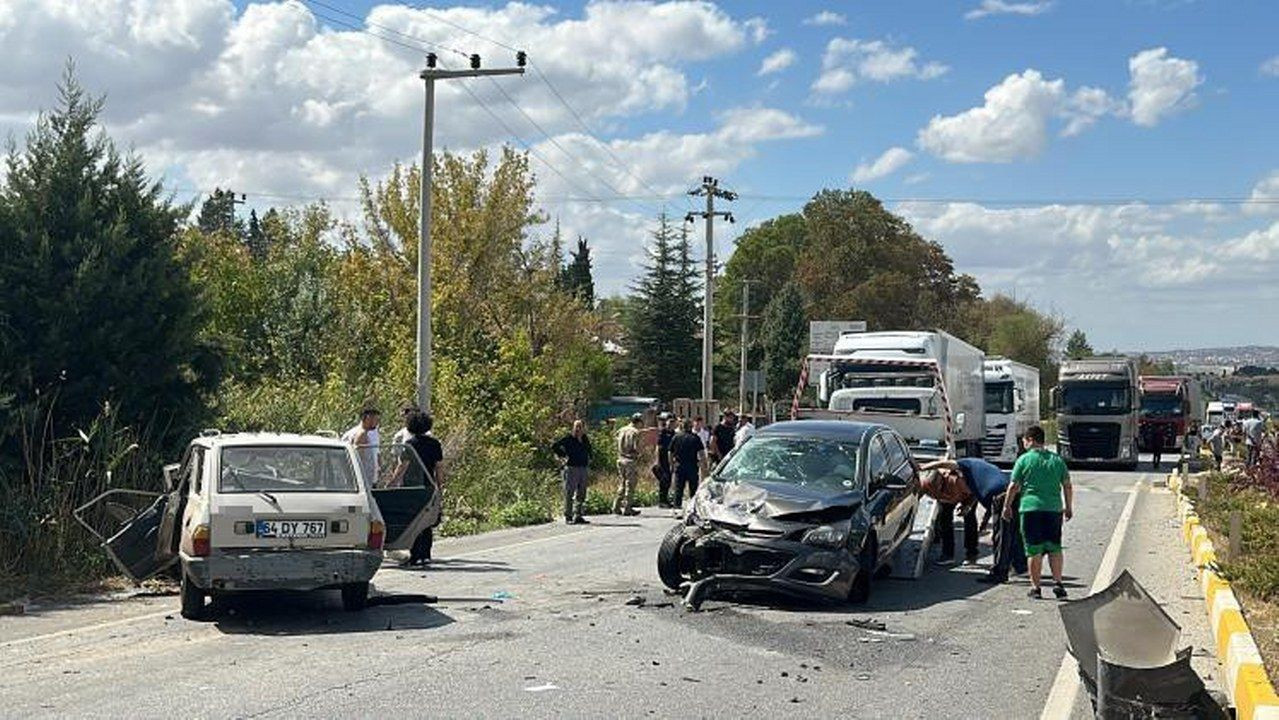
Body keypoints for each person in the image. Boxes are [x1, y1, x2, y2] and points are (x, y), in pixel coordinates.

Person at [1002, 425, 1073, 600]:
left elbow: (1013, 486)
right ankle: (1058, 584)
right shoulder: (1057, 460)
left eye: (1024, 440)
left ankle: (1036, 588)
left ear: (1031, 440)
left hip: (1030, 509)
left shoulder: (1024, 460)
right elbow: (1067, 485)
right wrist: (1068, 506)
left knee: (1034, 550)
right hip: (1053, 510)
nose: (1023, 444)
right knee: (1054, 547)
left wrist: (1006, 506)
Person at [387, 411, 444, 566]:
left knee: (414, 521)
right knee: (427, 521)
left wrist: (391, 483)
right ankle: (426, 554)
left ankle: (415, 555)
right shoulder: (435, 444)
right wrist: (440, 486)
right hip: (429, 484)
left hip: (412, 486)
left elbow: (402, 466)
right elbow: (439, 467)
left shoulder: (410, 444)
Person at [551, 420, 593, 524]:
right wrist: (563, 455)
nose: (578, 429)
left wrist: (590, 458)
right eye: (576, 427)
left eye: (580, 426)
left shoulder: (584, 438)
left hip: (583, 468)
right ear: (573, 428)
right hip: (572, 468)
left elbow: (589, 449)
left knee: (582, 493)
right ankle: (568, 516)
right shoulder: (569, 438)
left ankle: (578, 515)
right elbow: (554, 446)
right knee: (569, 492)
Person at [669, 418, 706, 506]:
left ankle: (677, 507)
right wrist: (703, 464)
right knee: (693, 488)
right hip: (692, 466)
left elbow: (670, 452)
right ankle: (693, 507)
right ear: (691, 426)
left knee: (679, 488)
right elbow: (701, 453)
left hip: (680, 465)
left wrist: (672, 464)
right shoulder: (695, 438)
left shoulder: (676, 437)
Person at [342, 405, 380, 485]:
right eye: (375, 419)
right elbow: (359, 458)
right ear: (367, 418)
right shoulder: (361, 434)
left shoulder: (354, 432)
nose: (377, 422)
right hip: (363, 480)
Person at [613, 413, 643, 516]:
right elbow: (636, 447)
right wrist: (640, 454)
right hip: (630, 460)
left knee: (622, 482)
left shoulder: (621, 430)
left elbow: (615, 441)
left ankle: (616, 506)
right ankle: (627, 507)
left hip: (620, 459)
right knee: (630, 484)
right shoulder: (635, 432)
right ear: (638, 422)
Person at [654, 414, 675, 508]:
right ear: (666, 422)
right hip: (662, 459)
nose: (671, 424)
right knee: (663, 480)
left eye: (673, 422)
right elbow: (658, 447)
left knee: (668, 480)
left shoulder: (674, 434)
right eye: (670, 422)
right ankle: (662, 501)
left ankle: (665, 500)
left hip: (670, 460)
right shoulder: (663, 432)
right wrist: (657, 460)